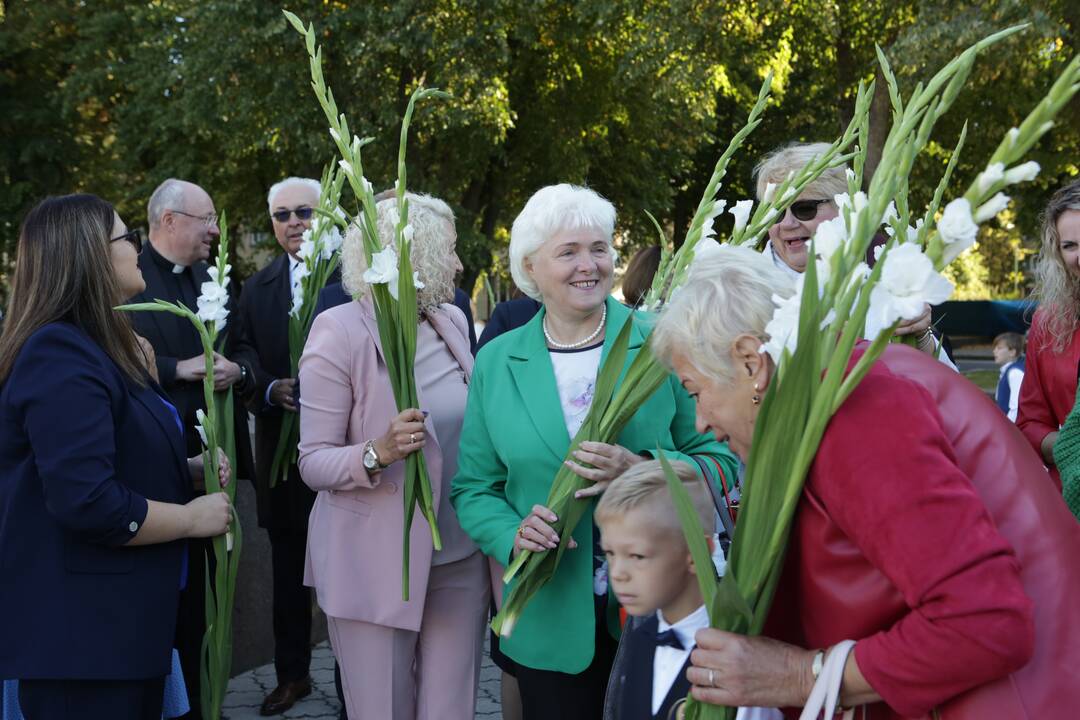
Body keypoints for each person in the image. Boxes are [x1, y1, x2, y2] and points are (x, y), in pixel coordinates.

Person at [649, 243, 1080, 719]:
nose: (701, 421)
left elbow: (985, 622)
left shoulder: (857, 414)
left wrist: (797, 674)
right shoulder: (837, 387)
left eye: (696, 392)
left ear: (751, 361)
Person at [451, 183, 739, 720]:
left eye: (600, 248)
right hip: (548, 612)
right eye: (568, 252)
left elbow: (724, 458)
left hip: (664, 604)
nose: (589, 265)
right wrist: (511, 532)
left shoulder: (662, 341)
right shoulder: (496, 361)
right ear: (531, 267)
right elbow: (474, 487)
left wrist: (647, 471)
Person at [0, 194, 232, 720]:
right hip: (83, 645)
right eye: (125, 239)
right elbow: (88, 500)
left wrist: (188, 474)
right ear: (88, 256)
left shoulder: (99, 347)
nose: (135, 249)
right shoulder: (57, 352)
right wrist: (192, 519)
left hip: (119, 634)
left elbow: (111, 457)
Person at [298, 193, 490, 720]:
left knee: (452, 710)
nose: (456, 263)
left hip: (459, 555)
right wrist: (375, 453)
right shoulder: (338, 330)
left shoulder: (451, 320)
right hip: (376, 562)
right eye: (448, 250)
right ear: (419, 255)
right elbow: (311, 462)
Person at [126, 177, 255, 718]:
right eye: (206, 219)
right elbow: (123, 355)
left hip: (214, 454)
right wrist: (182, 368)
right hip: (160, 461)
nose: (215, 230)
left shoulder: (216, 278)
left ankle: (207, 699)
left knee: (212, 593)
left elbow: (244, 343)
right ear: (169, 220)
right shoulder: (130, 279)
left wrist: (237, 368)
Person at [230, 177, 343, 716]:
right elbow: (243, 351)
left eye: (304, 211)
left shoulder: (359, 274)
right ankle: (292, 675)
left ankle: (356, 679)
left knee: (347, 573)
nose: (293, 222)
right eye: (281, 215)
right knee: (288, 575)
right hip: (283, 453)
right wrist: (270, 387)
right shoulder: (256, 288)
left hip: (349, 454)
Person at [596, 460, 780, 720]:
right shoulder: (640, 637)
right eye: (610, 554)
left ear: (696, 553)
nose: (617, 573)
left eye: (637, 556)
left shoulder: (738, 662)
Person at [755, 142, 950, 361]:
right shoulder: (745, 285)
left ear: (843, 206)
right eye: (775, 213)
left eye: (805, 209)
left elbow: (939, 379)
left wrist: (921, 335)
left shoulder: (883, 270)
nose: (788, 223)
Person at [1017, 180, 1080, 488]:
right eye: (1070, 245)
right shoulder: (1048, 324)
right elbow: (1030, 424)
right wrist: (1070, 449)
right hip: (1071, 499)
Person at [993, 332, 1026, 422]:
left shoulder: (1015, 373)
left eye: (999, 348)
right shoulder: (1009, 370)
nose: (994, 351)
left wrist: (1008, 430)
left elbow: (1015, 408)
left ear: (1012, 352)